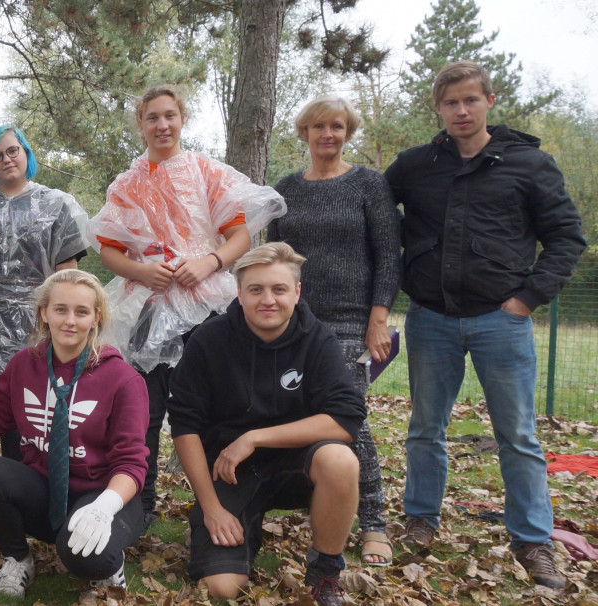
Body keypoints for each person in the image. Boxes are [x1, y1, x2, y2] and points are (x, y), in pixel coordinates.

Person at [386, 60, 585, 589]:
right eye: (451, 102)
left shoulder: (529, 164)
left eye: (471, 100)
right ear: (438, 107)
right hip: (431, 319)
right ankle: (421, 521)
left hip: (503, 321)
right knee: (425, 428)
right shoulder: (414, 166)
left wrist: (527, 298)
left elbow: (567, 237)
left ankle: (533, 542)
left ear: (489, 101)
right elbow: (374, 216)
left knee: (517, 435)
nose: (461, 110)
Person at [88, 85, 286, 522]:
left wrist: (210, 261)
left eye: (169, 116)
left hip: (207, 301)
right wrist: (141, 271)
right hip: (149, 306)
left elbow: (239, 235)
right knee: (143, 407)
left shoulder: (207, 172)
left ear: (182, 119)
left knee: (218, 402)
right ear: (140, 124)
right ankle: (139, 505)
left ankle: (221, 500)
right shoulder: (126, 184)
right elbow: (108, 250)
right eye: (152, 117)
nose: (162, 125)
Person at [166, 242, 364, 606]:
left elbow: (346, 418)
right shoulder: (209, 340)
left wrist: (256, 437)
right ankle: (240, 524)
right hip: (230, 470)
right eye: (256, 289)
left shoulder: (317, 338)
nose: (267, 300)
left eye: (279, 289)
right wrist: (211, 508)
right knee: (222, 588)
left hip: (297, 463)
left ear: (297, 291)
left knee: (341, 460)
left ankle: (324, 570)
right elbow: (184, 424)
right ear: (239, 293)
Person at [0, 269, 147, 597]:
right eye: (60, 309)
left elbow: (132, 464)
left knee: (86, 556)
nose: (70, 320)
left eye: (81, 312)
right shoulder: (24, 364)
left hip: (104, 496)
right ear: (44, 313)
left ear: (96, 318)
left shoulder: (123, 379)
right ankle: (19, 559)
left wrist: (104, 508)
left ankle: (109, 569)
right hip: (46, 491)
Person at [268, 94, 402, 567]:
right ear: (304, 132)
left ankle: (374, 524)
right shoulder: (287, 188)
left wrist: (378, 318)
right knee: (295, 411)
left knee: (349, 419)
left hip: (350, 321)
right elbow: (275, 260)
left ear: (348, 133)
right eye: (320, 126)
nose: (329, 134)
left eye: (339, 127)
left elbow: (388, 255)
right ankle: (320, 502)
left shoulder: (368, 185)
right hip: (295, 322)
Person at [0, 124, 90, 463]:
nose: (6, 159)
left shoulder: (56, 204)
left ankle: (16, 491)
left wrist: (64, 317)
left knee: (24, 412)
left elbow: (69, 272)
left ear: (26, 153)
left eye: (12, 151)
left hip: (34, 327)